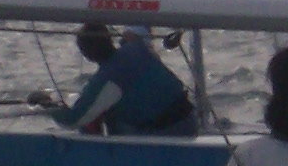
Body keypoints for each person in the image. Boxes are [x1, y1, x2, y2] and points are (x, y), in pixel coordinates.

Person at [29, 22, 196, 137]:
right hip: (189, 122)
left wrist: (47, 104)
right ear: (109, 39)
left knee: (100, 116)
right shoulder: (137, 48)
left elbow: (73, 120)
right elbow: (135, 33)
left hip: (165, 134)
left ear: (86, 55)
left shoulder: (107, 79)